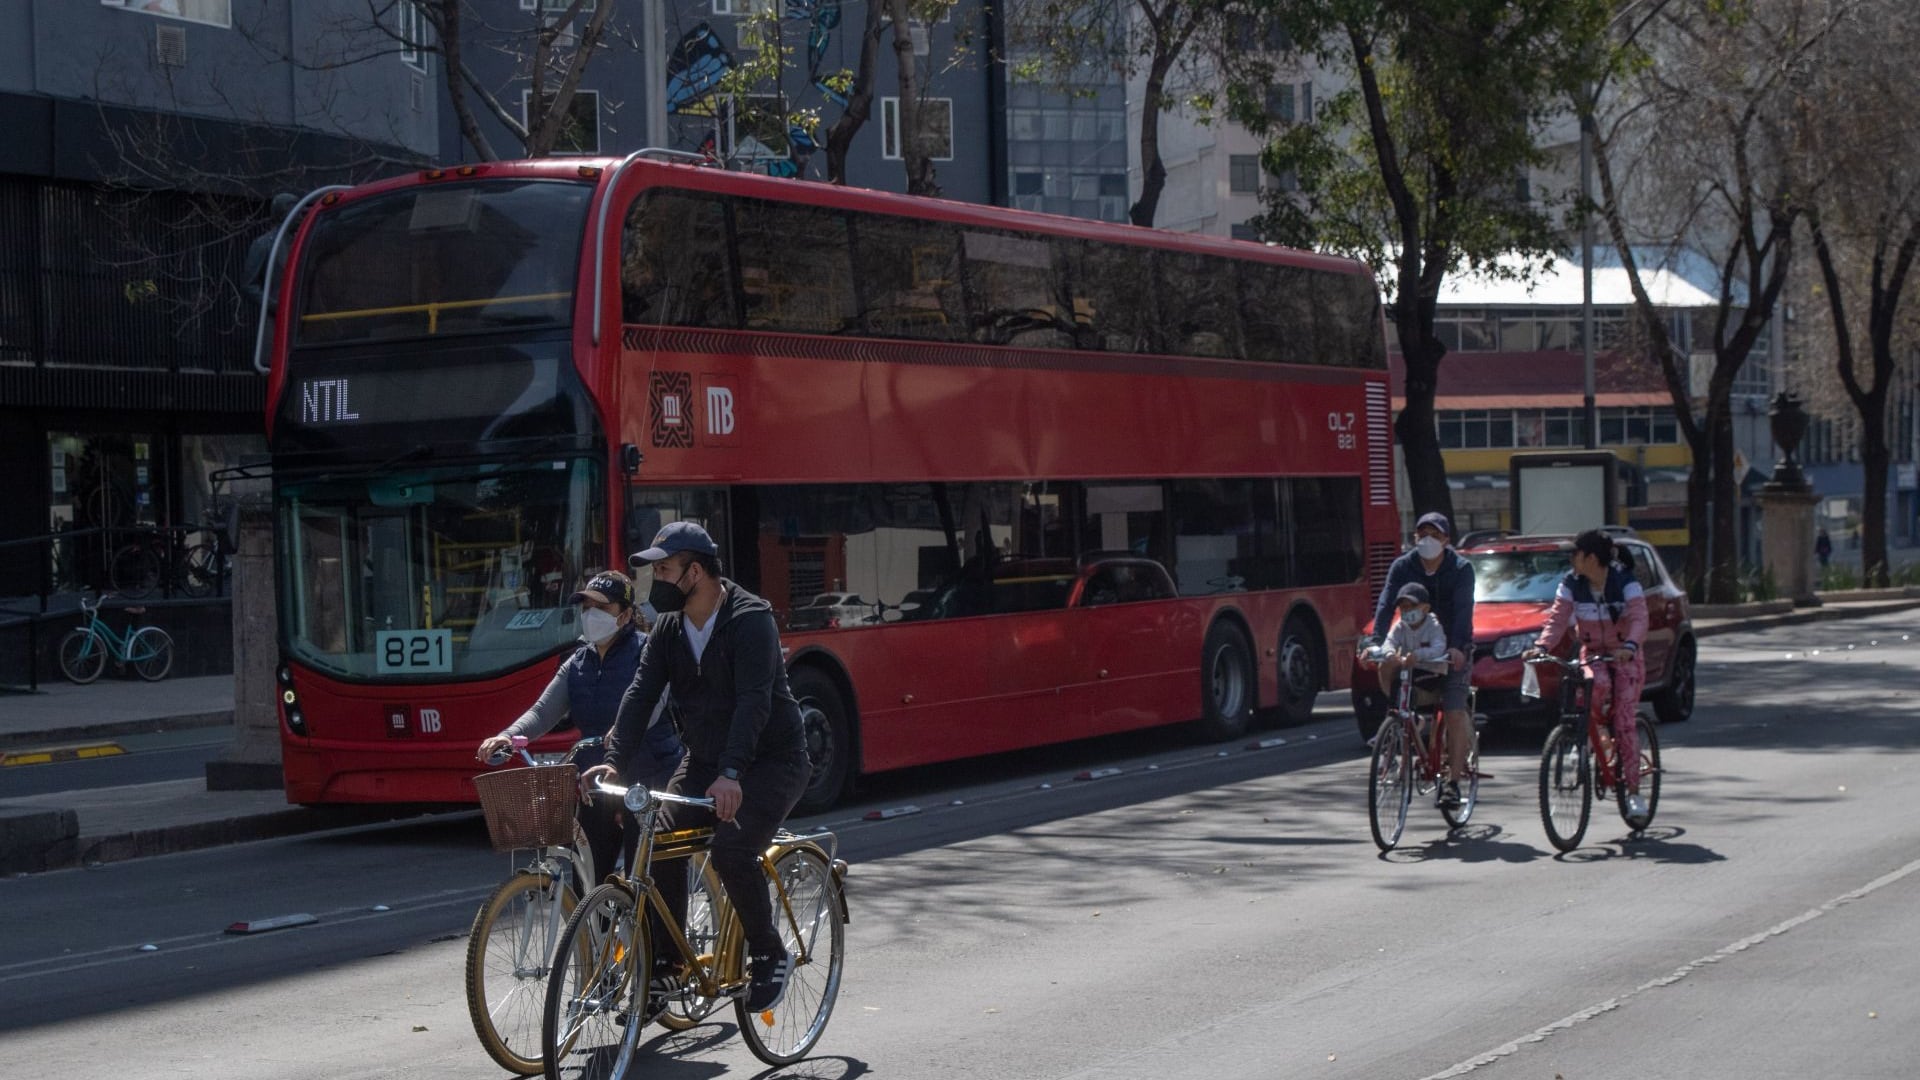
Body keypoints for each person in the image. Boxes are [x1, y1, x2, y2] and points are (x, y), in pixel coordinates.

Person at [581, 521, 812, 1014]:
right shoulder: (669, 628)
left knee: (731, 849)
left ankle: (769, 952)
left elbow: (753, 703)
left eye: (664, 569)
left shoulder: (750, 619)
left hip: (772, 761)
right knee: (655, 841)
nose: (656, 581)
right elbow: (640, 696)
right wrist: (613, 764)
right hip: (706, 760)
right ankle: (668, 965)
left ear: (696, 572)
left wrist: (732, 773)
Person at [476, 572, 683, 888]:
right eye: (586, 608)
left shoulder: (648, 651)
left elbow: (652, 703)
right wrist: (507, 736)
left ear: (625, 615)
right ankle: (596, 921)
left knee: (644, 882)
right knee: (587, 884)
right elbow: (542, 711)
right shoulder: (577, 662)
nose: (591, 615)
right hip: (596, 781)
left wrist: (623, 729)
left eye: (602, 608)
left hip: (648, 779)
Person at [1524, 529, 1651, 818]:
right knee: (1591, 693)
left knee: (1624, 722)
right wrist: (1541, 646)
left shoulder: (1625, 581)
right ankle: (1588, 743)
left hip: (1626, 656)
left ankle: (1633, 792)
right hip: (1593, 654)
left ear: (1591, 558)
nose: (1572, 559)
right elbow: (1557, 619)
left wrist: (1630, 646)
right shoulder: (1571, 584)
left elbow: (1640, 618)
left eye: (1576, 554)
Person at [1360, 511, 1476, 805]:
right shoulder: (1402, 566)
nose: (1427, 541)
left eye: (1435, 535)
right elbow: (1385, 606)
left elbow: (1464, 611)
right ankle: (1400, 718)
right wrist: (1374, 644)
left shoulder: (1461, 569)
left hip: (1448, 651)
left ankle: (1452, 784)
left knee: (1453, 711)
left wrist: (1457, 647)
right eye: (1422, 535)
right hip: (1411, 649)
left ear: (1446, 540)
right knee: (1386, 663)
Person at [1375, 582, 1451, 703]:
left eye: (1412, 606)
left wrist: (1418, 655)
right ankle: (1393, 703)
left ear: (1426, 608)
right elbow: (1389, 642)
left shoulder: (1433, 626)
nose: (1407, 610)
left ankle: (1409, 705)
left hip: (1431, 672)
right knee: (1386, 667)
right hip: (1408, 670)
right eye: (1403, 607)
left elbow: (1439, 648)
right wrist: (1390, 654)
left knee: (1412, 691)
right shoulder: (1400, 626)